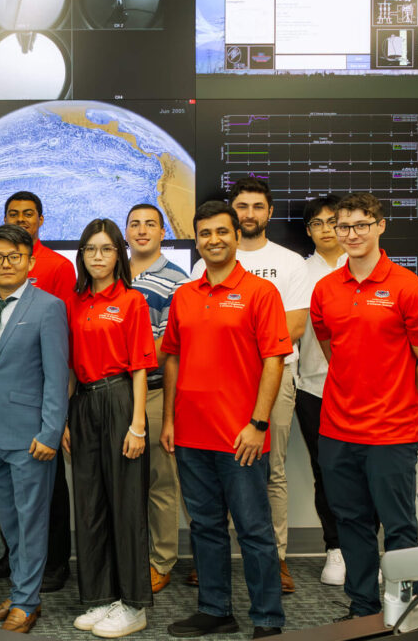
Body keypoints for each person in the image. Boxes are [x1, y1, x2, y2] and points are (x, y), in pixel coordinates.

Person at [162, 200, 290, 638]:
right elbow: (173, 358)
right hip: (193, 436)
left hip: (241, 437)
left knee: (255, 532)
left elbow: (274, 361)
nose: (213, 240)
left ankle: (268, 620)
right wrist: (170, 421)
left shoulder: (260, 293)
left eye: (221, 232)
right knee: (205, 527)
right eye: (205, 234)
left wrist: (258, 424)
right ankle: (216, 609)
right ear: (196, 240)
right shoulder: (184, 295)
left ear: (237, 237)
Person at [311, 192, 418, 621]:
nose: (351, 234)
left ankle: (406, 613)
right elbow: (334, 351)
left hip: (391, 433)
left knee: (399, 527)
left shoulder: (411, 289)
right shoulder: (325, 290)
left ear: (380, 226)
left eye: (361, 224)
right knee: (351, 523)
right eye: (343, 226)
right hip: (337, 431)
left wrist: (399, 405)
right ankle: (364, 610)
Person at [190, 178, 311, 593]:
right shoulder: (202, 266)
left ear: (269, 213)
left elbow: (292, 326)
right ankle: (215, 558)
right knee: (216, 472)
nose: (249, 213)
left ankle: (274, 559)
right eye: (241, 206)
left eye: (258, 206)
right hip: (218, 387)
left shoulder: (291, 262)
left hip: (272, 379)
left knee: (268, 470)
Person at [0, 224, 69, 634]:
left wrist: (50, 433)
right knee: (10, 521)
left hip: (31, 437)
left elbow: (56, 375)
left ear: (30, 262)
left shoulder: (48, 307)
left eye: (13, 257)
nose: (5, 264)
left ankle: (26, 603)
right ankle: (19, 590)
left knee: (31, 522)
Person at [64, 218, 156, 638]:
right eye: (89, 249)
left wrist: (138, 425)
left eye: (105, 249)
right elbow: (69, 365)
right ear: (81, 256)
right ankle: (101, 596)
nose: (97, 257)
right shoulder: (76, 301)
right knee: (90, 504)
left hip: (119, 400)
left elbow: (139, 368)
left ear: (118, 254)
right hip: (83, 404)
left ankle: (134, 604)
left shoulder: (132, 300)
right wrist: (67, 416)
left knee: (126, 504)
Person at [124, 204, 187, 594]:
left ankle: (161, 561)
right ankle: (128, 556)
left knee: (160, 484)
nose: (142, 231)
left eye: (150, 224)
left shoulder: (176, 280)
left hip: (155, 392)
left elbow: (168, 344)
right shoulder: (112, 273)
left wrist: (128, 364)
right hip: (112, 393)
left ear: (164, 232)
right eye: (135, 224)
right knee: (122, 482)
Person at [294, 195, 347, 586]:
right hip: (312, 384)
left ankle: (363, 546)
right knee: (324, 470)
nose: (327, 229)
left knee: (363, 471)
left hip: (362, 390)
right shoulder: (301, 270)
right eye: (318, 222)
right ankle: (336, 547)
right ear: (308, 230)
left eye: (334, 221)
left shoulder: (362, 266)